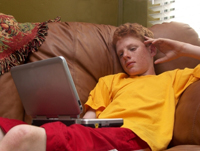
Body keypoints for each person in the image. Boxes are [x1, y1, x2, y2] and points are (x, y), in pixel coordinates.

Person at [0, 23, 200, 151]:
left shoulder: (172, 78)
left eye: (132, 49)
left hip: (135, 136)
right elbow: (90, 119)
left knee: (20, 136)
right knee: (5, 126)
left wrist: (182, 48)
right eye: (121, 53)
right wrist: (70, 126)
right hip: (100, 133)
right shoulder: (110, 81)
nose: (126, 56)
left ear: (152, 49)